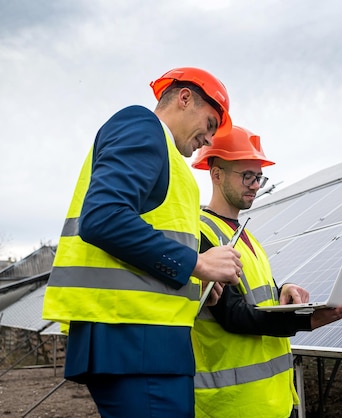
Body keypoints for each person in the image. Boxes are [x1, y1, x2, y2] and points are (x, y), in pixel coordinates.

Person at [42, 67, 243, 418]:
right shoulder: (142, 125)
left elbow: (149, 229)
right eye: (210, 124)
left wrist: (199, 276)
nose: (208, 141)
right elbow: (103, 217)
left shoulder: (168, 158)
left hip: (145, 344)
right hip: (133, 341)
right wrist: (197, 264)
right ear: (184, 99)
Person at [190, 126, 342, 418]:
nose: (255, 185)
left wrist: (285, 289)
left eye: (259, 177)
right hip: (233, 405)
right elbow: (233, 314)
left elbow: (261, 296)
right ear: (216, 174)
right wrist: (314, 319)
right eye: (247, 176)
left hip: (276, 400)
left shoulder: (247, 237)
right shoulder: (200, 232)